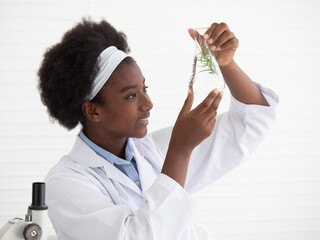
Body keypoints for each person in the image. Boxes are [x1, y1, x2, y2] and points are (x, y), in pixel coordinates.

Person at [38, 18, 278, 240]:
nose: (148, 103)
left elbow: (250, 124)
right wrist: (181, 151)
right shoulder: (66, 183)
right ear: (92, 111)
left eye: (145, 88)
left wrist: (227, 65)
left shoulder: (151, 150)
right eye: (131, 95)